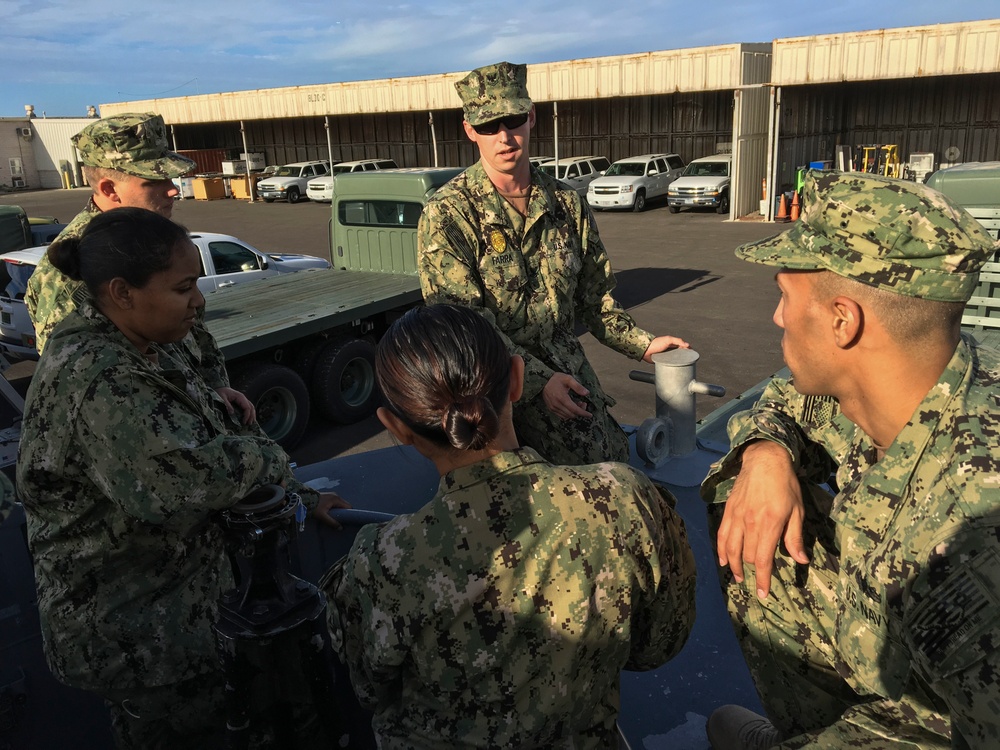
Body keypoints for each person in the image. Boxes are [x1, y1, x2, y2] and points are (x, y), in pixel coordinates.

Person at [16, 207, 345, 749]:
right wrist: (274, 466)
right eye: (184, 287)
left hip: (180, 607)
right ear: (122, 292)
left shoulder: (148, 342)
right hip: (137, 634)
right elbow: (188, 478)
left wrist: (300, 495)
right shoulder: (100, 379)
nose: (199, 300)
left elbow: (211, 428)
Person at [700, 171, 1000, 749]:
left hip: (942, 724)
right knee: (745, 515)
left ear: (843, 320)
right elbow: (787, 402)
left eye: (785, 298)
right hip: (901, 650)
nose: (777, 318)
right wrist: (766, 455)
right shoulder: (923, 373)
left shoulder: (972, 550)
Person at [322, 303, 697, 748]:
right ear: (518, 379)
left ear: (396, 428)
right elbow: (660, 643)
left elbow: (369, 688)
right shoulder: (623, 498)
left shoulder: (376, 563)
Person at [417, 61, 689, 466]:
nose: (504, 136)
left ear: (531, 116)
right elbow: (463, 328)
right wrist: (538, 382)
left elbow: (595, 299)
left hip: (567, 372)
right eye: (489, 126)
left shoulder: (565, 204)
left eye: (513, 119)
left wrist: (644, 344)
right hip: (490, 391)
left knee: (608, 458)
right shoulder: (448, 215)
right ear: (469, 130)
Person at [25, 112, 254, 422]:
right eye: (154, 181)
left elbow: (194, 329)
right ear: (109, 189)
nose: (173, 189)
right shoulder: (76, 270)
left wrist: (215, 385)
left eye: (170, 178)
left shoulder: (150, 238)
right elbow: (82, 384)